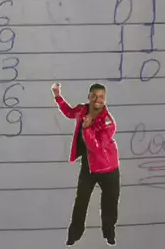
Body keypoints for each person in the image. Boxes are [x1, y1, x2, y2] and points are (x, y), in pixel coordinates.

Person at [51, 82, 120, 247]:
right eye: (94, 96)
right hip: (88, 167)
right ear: (89, 97)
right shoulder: (82, 110)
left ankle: (109, 234)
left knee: (109, 204)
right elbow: (69, 112)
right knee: (81, 202)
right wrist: (58, 96)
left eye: (101, 97)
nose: (97, 100)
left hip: (108, 168)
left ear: (105, 99)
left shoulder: (109, 122)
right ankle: (74, 235)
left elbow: (96, 147)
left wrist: (87, 129)